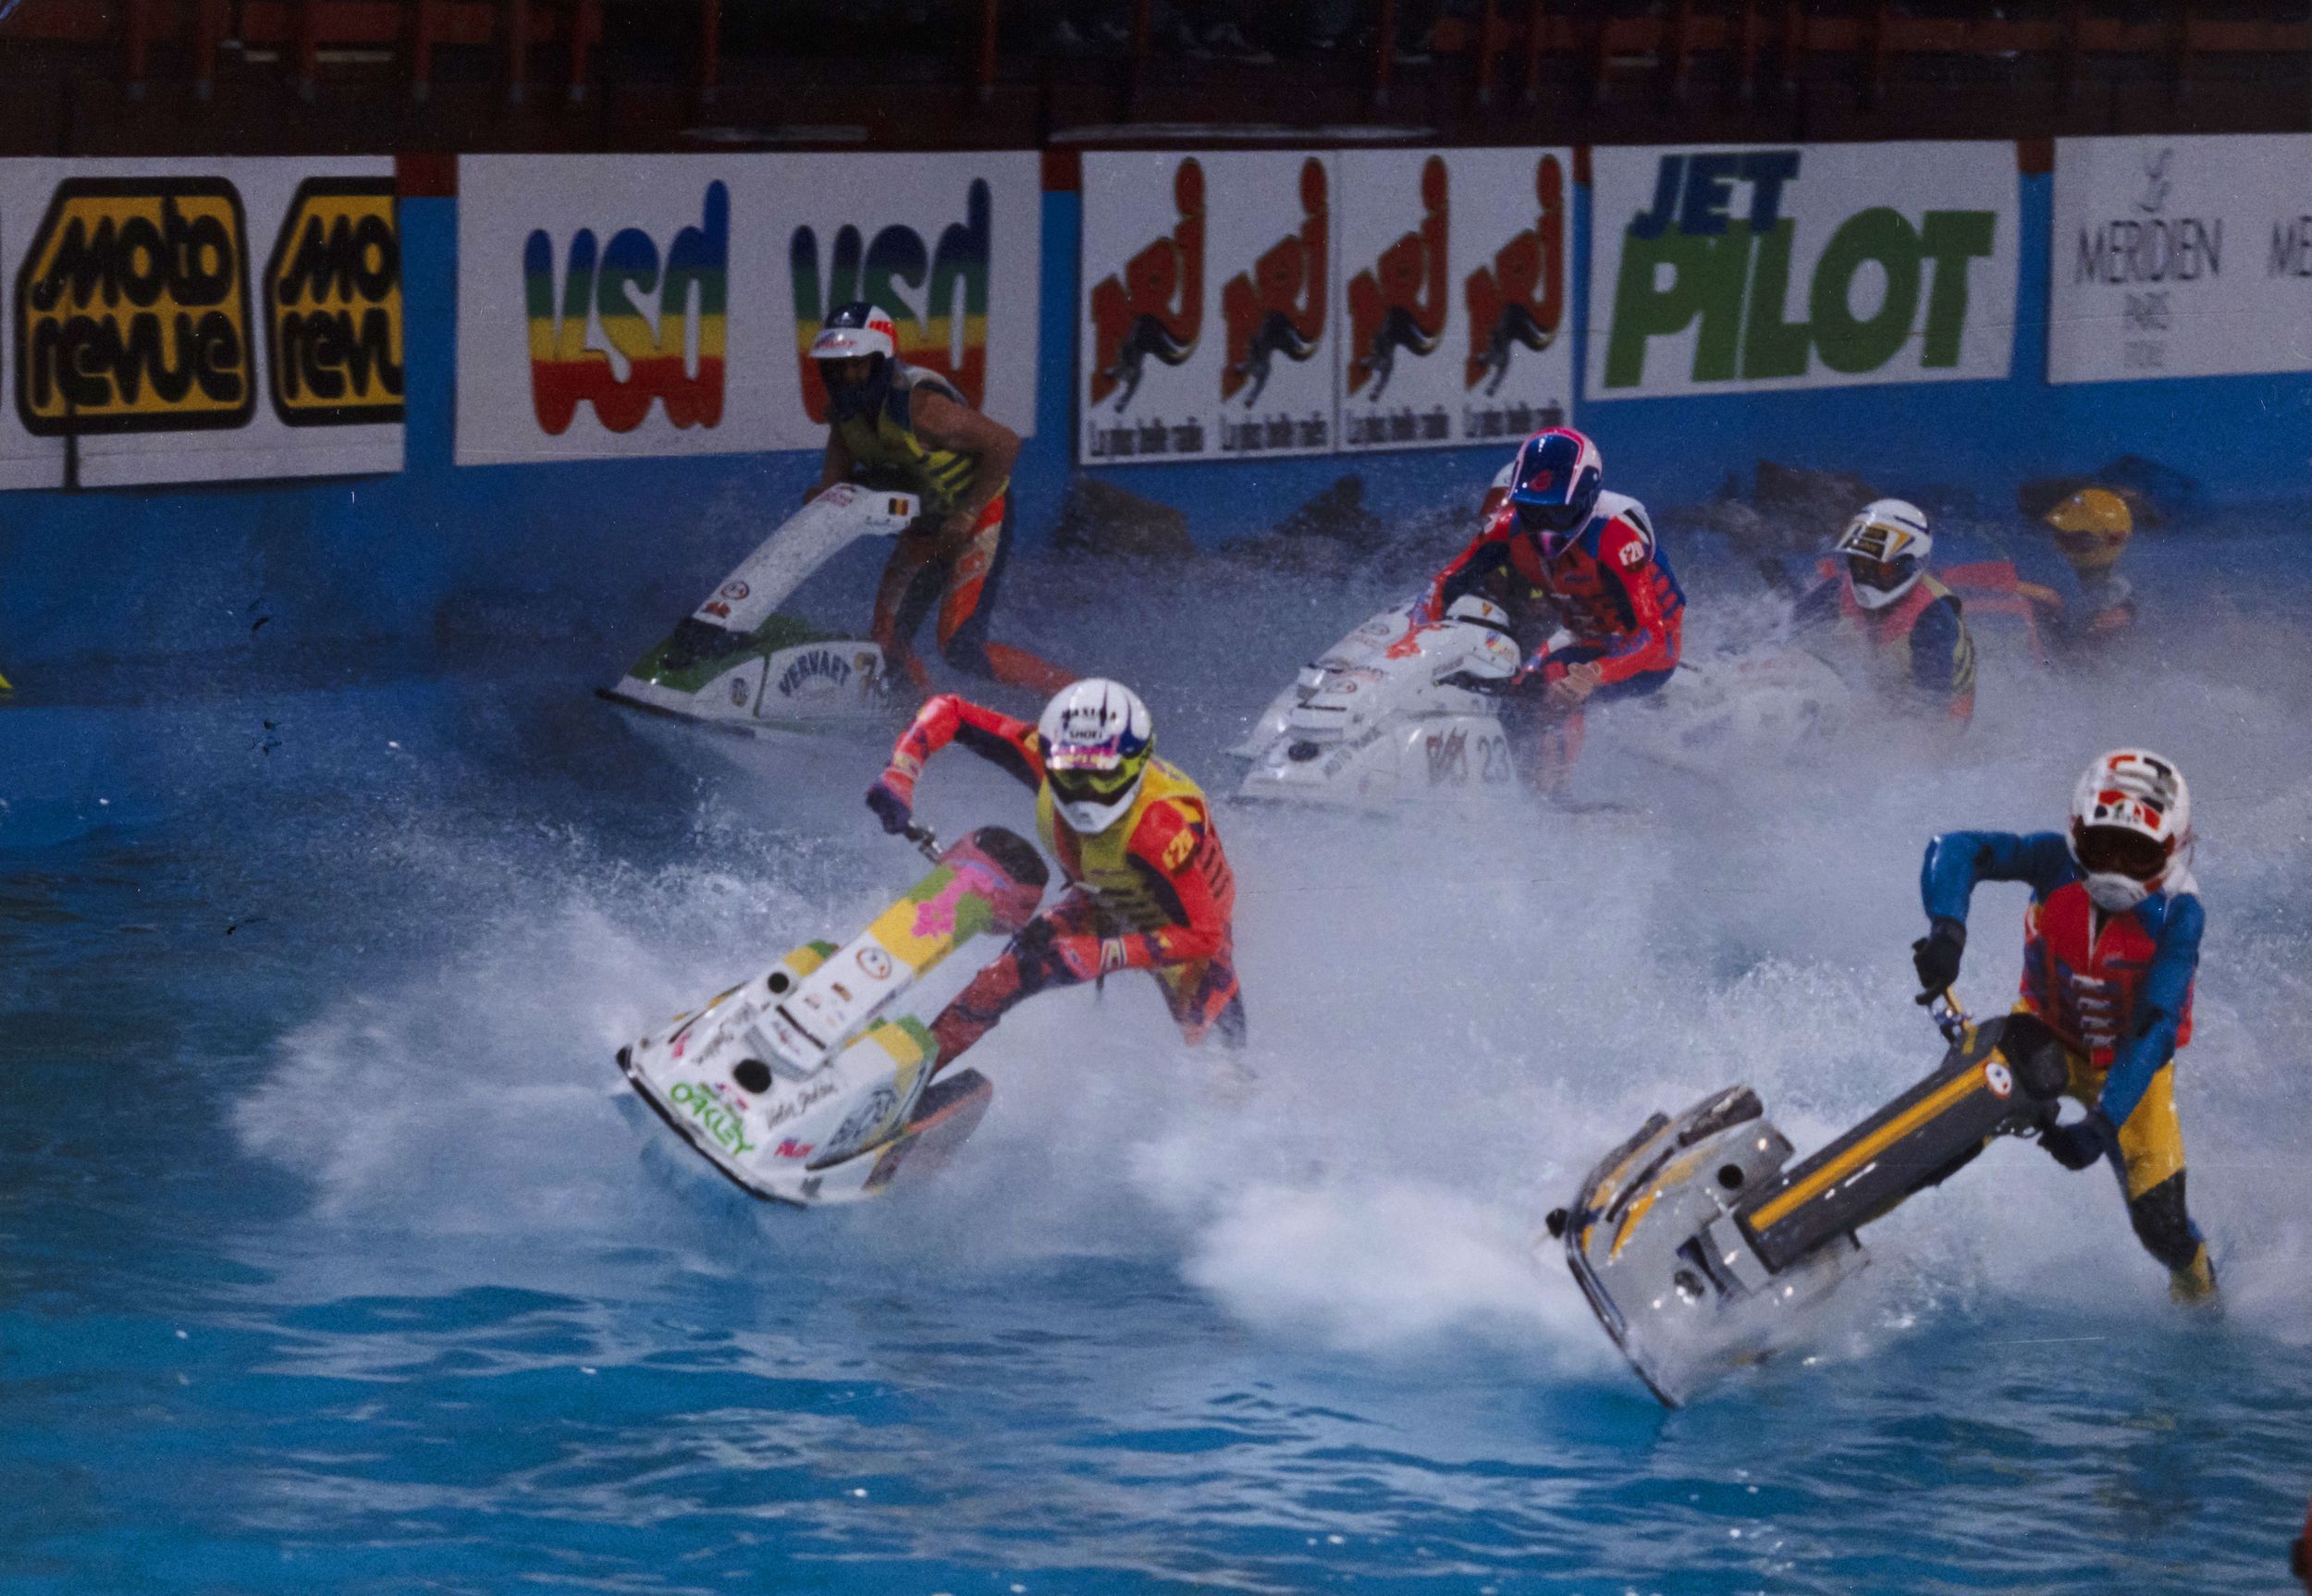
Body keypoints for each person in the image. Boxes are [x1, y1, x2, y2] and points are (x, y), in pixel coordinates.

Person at [1912, 748, 2216, 1303]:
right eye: (2105, 848)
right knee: (1942, 1136)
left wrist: (2101, 1127)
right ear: (2077, 832)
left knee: (2163, 1230)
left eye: (2138, 854)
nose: (2117, 871)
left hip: (2133, 1073)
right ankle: (1842, 1225)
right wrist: (1947, 931)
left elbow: (2154, 1027)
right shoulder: (2052, 861)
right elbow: (1954, 849)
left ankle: (2202, 1300)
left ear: (2173, 850)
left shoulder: (2181, 915)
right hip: (2039, 1038)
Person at [864, 678, 1245, 1072]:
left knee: (1217, 1057)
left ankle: (1237, 1098)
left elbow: (1205, 935)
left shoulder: (1160, 828)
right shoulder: (1042, 755)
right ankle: (909, 1081)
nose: (1086, 792)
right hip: (1100, 897)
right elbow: (951, 710)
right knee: (1003, 977)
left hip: (1181, 929)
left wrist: (1107, 954)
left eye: (1103, 777)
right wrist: (901, 772)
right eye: (1072, 775)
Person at [808, 301, 1074, 695]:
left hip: (977, 515)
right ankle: (913, 721)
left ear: (880, 362)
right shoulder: (844, 417)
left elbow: (1005, 443)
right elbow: (834, 486)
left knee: (960, 647)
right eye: (837, 366)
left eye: (858, 364)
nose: (848, 375)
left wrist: (965, 516)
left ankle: (1077, 694)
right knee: (885, 642)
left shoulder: (923, 409)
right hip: (926, 527)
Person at [1417, 426, 1684, 792]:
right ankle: (1502, 780)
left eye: (1557, 514)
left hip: (1647, 648)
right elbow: (1443, 584)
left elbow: (1650, 635)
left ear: (1585, 500)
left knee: (1556, 681)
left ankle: (1551, 796)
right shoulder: (1508, 528)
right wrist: (1417, 645)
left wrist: (1592, 675)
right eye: (1532, 512)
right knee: (1515, 684)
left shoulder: (1616, 535)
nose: (1543, 528)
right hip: (1584, 633)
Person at [1792, 497, 1977, 723]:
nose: (1868, 576)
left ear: (1910, 564)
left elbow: (1932, 710)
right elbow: (1789, 631)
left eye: (1883, 568)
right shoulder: (1840, 590)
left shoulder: (1932, 618)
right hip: (1884, 691)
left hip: (1948, 715)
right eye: (1861, 563)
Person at [2041, 486, 2137, 643]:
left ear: (2112, 541)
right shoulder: (2050, 559)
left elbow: (2073, 647)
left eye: (2079, 541)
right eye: (2061, 537)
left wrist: (2126, 612)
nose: (2066, 549)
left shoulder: (2112, 583)